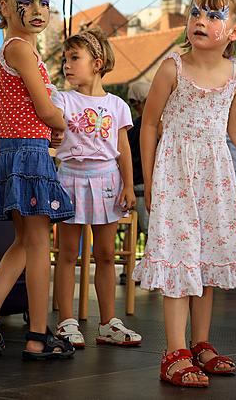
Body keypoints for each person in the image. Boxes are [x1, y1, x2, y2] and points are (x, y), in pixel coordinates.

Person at [133, 0, 236, 388]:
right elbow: (149, 124)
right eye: (195, 14)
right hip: (175, 172)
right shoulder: (172, 68)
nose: (200, 21)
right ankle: (174, 351)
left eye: (212, 16)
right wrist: (150, 180)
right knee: (179, 257)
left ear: (235, 31)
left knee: (205, 260)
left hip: (215, 174)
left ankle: (200, 342)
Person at [0, 0, 75, 360]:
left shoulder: (12, 51)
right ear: (3, 7)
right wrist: (61, 123)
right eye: (26, 2)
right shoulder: (21, 49)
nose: (38, 9)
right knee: (41, 243)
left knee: (24, 242)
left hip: (13, 148)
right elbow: (43, 106)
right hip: (28, 152)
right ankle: (38, 336)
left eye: (44, 1)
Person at [52, 28, 141, 349]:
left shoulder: (117, 105)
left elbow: (123, 150)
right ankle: (66, 322)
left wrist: (129, 185)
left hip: (107, 181)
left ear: (98, 63)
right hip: (70, 179)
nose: (67, 65)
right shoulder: (61, 98)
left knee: (105, 255)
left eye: (75, 58)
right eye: (65, 59)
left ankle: (107, 323)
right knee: (66, 255)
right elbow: (54, 123)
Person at [127, 81, 151, 237]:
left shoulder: (131, 127)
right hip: (145, 185)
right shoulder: (155, 126)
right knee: (151, 230)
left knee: (133, 230)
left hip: (134, 184)